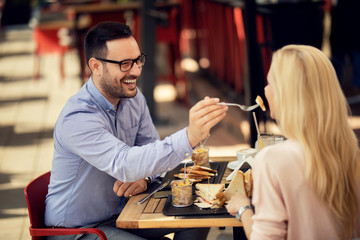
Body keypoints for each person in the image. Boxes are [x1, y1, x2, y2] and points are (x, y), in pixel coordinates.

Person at [44, 21, 228, 240]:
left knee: (200, 213)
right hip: (77, 231)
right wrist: (189, 137)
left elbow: (150, 152)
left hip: (126, 213)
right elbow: (125, 164)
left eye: (138, 60)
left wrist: (146, 179)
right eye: (125, 64)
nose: (136, 71)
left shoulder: (132, 98)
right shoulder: (77, 118)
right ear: (95, 66)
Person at [226, 45, 360, 239]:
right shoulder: (350, 151)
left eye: (271, 83)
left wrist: (243, 209)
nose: (265, 89)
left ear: (287, 95)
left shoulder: (273, 159)